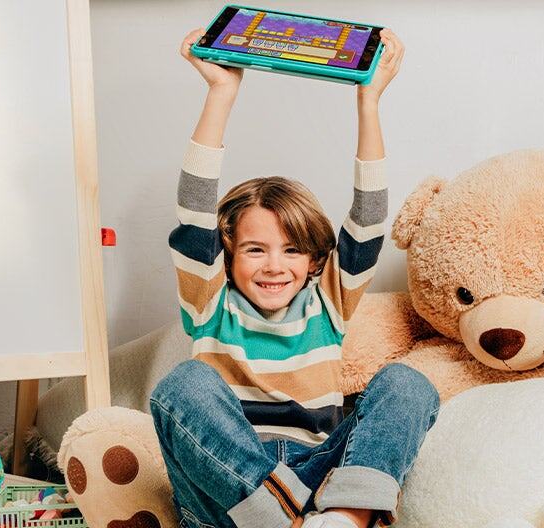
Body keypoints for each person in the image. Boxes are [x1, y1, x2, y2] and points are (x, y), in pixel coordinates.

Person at [150, 27, 438, 528]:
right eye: (255, 250)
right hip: (230, 499)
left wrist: (369, 104)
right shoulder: (210, 300)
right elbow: (194, 208)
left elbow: (369, 219)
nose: (274, 266)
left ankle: (344, 519)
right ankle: (276, 517)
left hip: (317, 484)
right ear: (227, 254)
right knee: (183, 384)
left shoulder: (326, 300)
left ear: (314, 261)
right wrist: (222, 91)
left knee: (408, 383)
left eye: (291, 251)